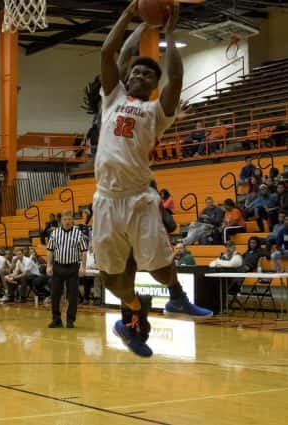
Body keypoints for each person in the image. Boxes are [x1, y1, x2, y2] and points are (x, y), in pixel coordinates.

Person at [95, 0, 211, 357]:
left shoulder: (156, 112)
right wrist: (134, 19)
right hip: (106, 199)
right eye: (137, 73)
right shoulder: (112, 97)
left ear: (154, 85)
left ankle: (176, 298)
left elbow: (175, 78)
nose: (141, 76)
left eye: (149, 75)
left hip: (139, 197)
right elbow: (109, 50)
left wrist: (170, 34)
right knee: (112, 278)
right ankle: (131, 312)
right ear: (127, 77)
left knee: (160, 266)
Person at [46, 211, 88, 328]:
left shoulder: (78, 233)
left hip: (72, 267)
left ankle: (70, 320)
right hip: (58, 266)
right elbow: (50, 250)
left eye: (69, 219)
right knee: (55, 294)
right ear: (61, 221)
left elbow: (84, 251)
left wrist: (83, 266)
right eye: (65, 219)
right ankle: (56, 319)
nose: (67, 221)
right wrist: (49, 265)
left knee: (73, 296)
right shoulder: (55, 233)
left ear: (72, 220)